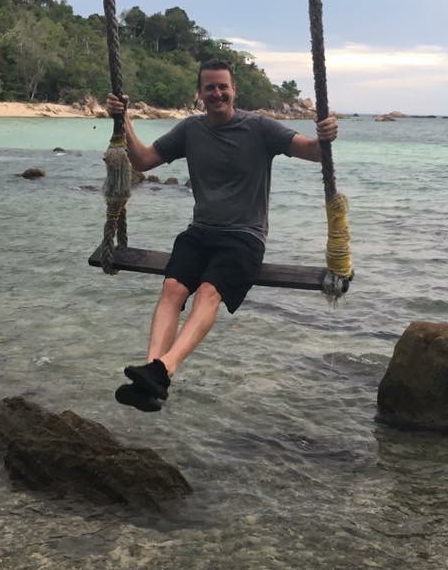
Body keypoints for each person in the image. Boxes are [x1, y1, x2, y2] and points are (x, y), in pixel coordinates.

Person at [106, 59, 339, 412]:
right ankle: (148, 378)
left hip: (245, 237)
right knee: (171, 288)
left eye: (222, 87)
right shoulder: (190, 130)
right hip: (200, 232)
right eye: (210, 88)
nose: (217, 93)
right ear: (199, 94)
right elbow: (143, 161)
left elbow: (311, 153)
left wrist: (325, 136)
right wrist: (123, 120)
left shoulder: (260, 128)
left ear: (234, 90)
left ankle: (163, 370)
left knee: (209, 292)